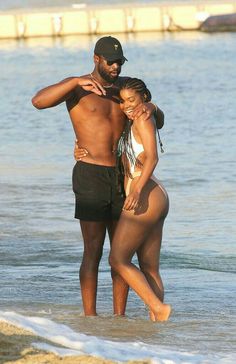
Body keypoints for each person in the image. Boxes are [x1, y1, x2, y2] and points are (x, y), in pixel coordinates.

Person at [31, 36, 164, 317]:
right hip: (90, 173)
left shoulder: (124, 89)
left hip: (121, 175)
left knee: (120, 254)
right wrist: (74, 82)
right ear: (96, 59)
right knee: (92, 252)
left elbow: (156, 120)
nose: (115, 66)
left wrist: (152, 107)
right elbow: (38, 102)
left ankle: (119, 318)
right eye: (110, 62)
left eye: (119, 62)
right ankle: (90, 318)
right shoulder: (78, 88)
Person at [108, 78, 171, 321]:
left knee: (118, 259)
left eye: (131, 100)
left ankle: (158, 308)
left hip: (145, 194)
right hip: (156, 196)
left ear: (144, 97)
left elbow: (153, 157)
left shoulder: (144, 118)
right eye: (122, 101)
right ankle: (158, 326)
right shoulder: (144, 116)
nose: (126, 106)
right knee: (150, 267)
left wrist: (135, 191)